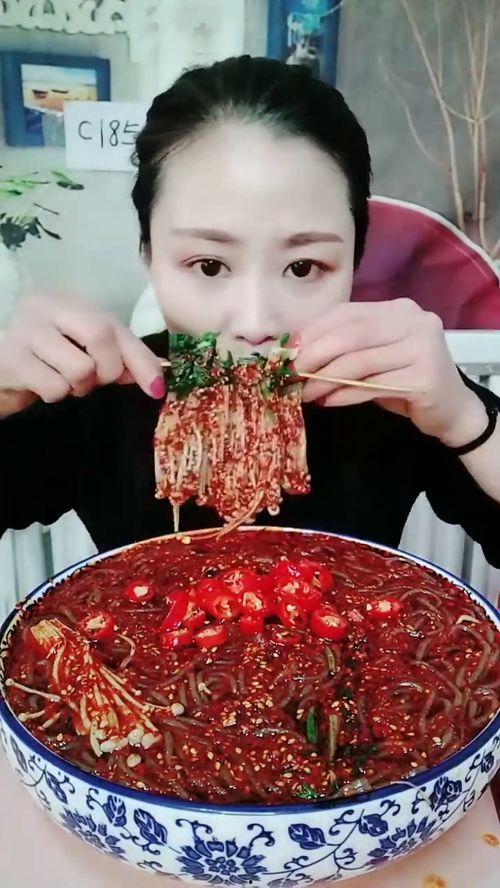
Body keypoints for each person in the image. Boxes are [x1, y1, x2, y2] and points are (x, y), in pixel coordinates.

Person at [0, 56, 499, 564]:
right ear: (148, 253)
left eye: (303, 267)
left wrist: (465, 419)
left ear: (355, 260)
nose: (256, 324)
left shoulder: (393, 393)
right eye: (210, 265)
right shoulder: (97, 401)